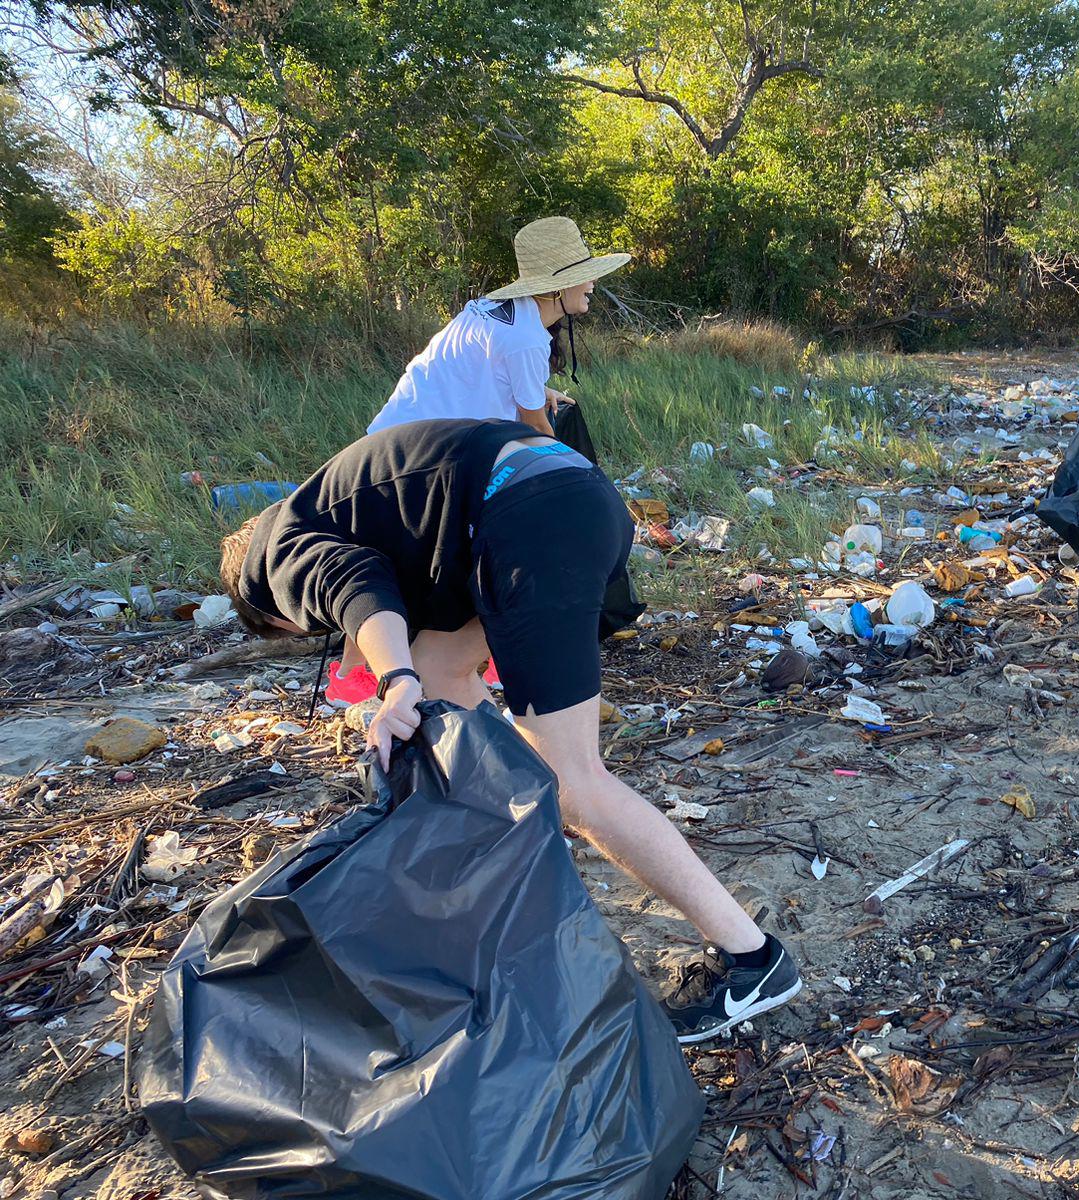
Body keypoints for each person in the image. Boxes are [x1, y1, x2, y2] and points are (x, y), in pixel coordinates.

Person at [218, 419, 802, 1043]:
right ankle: (513, 834)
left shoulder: (268, 561)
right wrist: (415, 673)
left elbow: (355, 588)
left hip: (532, 519)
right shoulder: (330, 506)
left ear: (277, 618)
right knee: (443, 671)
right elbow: (413, 624)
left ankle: (753, 960)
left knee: (574, 783)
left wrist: (395, 681)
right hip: (568, 490)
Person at [367, 217, 625, 437]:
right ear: (558, 287)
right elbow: (535, 427)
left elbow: (476, 368)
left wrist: (538, 391)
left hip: (393, 433)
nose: (594, 280)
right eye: (584, 275)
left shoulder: (491, 307)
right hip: (412, 451)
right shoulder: (526, 338)